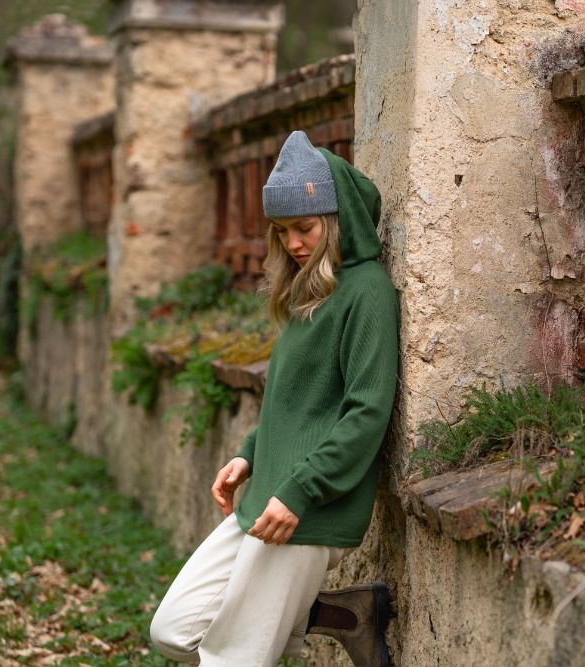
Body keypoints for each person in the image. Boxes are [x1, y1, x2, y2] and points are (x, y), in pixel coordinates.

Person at [149, 131, 399, 667]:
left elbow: (367, 411)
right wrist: (249, 454)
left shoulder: (367, 292)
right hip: (267, 495)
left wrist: (302, 491)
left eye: (305, 227)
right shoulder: (312, 290)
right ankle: (348, 615)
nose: (293, 243)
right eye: (282, 231)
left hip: (308, 509)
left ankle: (322, 613)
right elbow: (295, 403)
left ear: (335, 219)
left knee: (231, 659)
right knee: (173, 630)